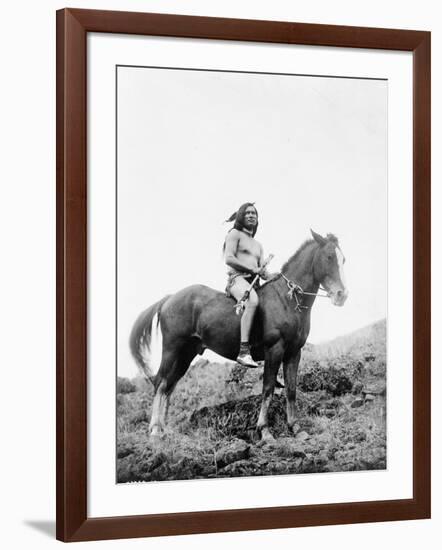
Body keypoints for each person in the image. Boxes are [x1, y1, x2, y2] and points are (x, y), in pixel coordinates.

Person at [223, 203, 274, 367]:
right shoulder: (234, 234)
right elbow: (229, 258)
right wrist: (253, 269)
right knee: (252, 301)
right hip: (237, 279)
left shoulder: (258, 245)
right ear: (241, 217)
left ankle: (266, 356)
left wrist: (276, 276)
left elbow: (263, 273)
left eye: (254, 214)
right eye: (248, 213)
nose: (252, 216)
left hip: (255, 283)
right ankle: (243, 352)